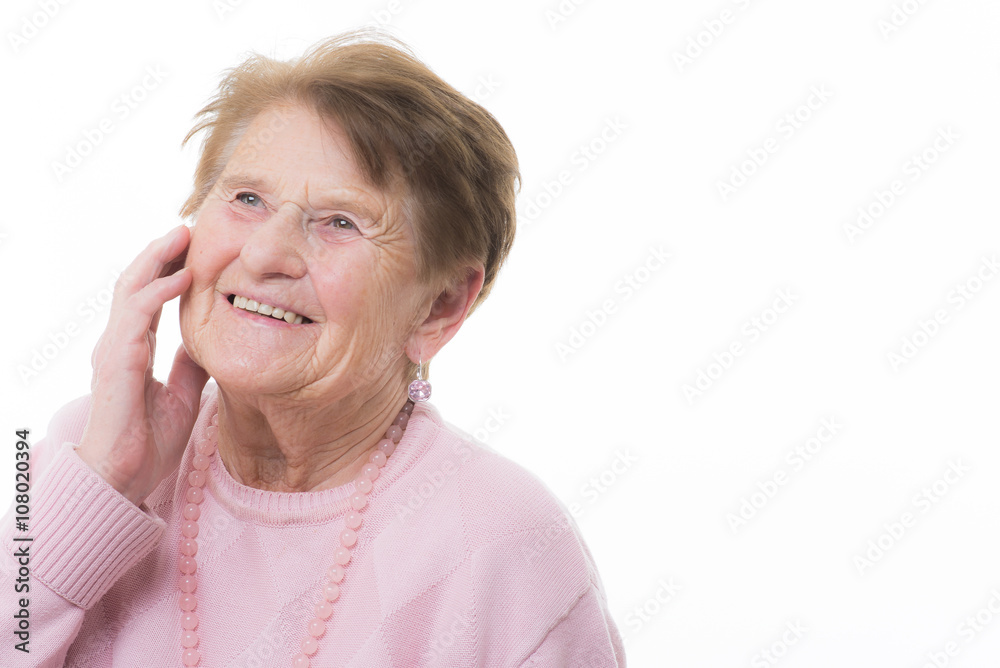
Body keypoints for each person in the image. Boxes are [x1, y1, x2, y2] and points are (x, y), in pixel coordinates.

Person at [2, 30, 626, 667]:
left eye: (341, 222)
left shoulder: (504, 547)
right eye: (248, 198)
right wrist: (103, 483)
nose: (264, 254)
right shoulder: (85, 450)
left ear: (439, 306)